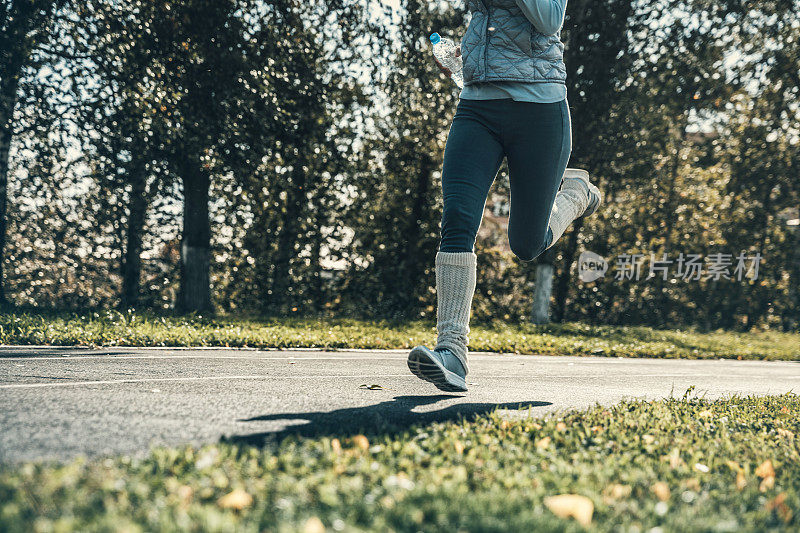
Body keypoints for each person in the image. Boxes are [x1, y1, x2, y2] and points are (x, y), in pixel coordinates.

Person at [408, 0, 601, 392]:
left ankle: (575, 195)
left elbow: (549, 19)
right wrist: (473, 48)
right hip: (476, 105)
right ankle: (452, 352)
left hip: (540, 109)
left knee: (527, 244)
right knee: (457, 219)